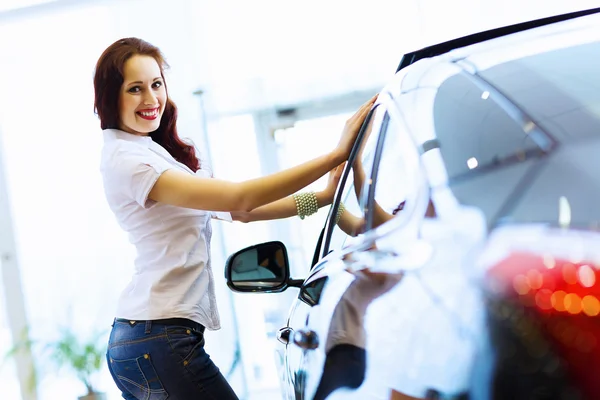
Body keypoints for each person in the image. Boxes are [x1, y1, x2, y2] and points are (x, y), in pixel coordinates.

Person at [93, 37, 375, 400]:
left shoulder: (150, 152)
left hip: (146, 338)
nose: (151, 100)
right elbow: (240, 196)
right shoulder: (129, 161)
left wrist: (322, 199)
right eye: (135, 89)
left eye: (156, 84)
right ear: (110, 97)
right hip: (157, 336)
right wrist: (336, 155)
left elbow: (240, 211)